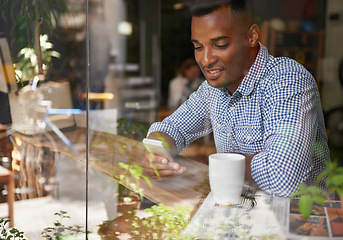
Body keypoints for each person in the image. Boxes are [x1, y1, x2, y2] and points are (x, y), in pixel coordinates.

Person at [142, 0, 330, 197]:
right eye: (198, 47)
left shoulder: (287, 80)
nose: (206, 60)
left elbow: (284, 177)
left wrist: (215, 163)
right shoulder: (212, 89)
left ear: (251, 36)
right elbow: (173, 128)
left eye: (220, 45)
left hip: (302, 221)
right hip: (241, 215)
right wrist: (157, 153)